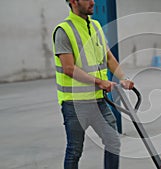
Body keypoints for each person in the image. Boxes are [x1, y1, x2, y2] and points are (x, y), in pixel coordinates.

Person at [52, 0, 134, 168]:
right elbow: (68, 68)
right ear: (74, 2)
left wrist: (123, 78)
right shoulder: (63, 31)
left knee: (113, 142)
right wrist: (99, 82)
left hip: (98, 101)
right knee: (75, 150)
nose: (93, 2)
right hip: (75, 103)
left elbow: (108, 57)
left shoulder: (96, 26)